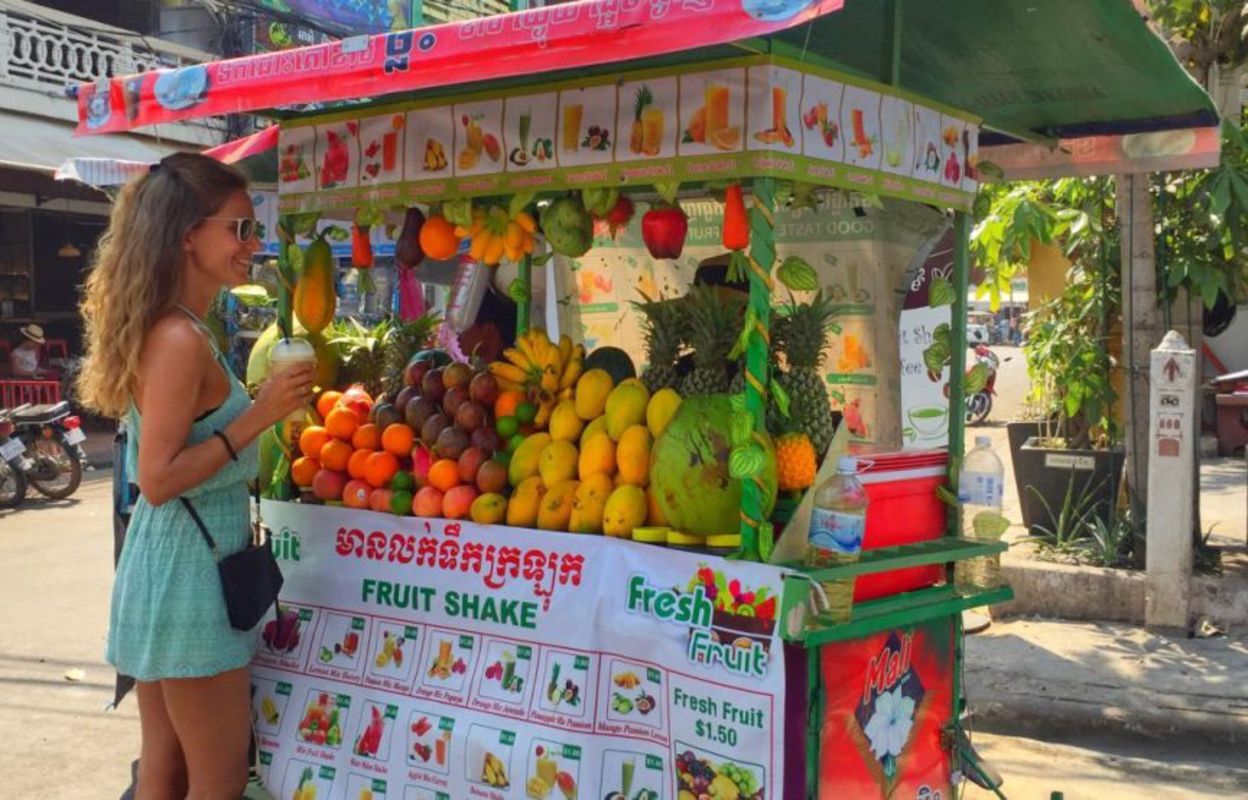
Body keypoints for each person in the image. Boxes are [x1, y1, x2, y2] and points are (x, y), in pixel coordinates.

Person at [77, 153, 316, 799]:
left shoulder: (180, 328)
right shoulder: (180, 338)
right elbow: (156, 477)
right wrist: (259, 414)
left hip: (168, 565)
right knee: (215, 778)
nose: (253, 244)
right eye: (239, 229)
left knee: (166, 768)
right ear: (189, 235)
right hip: (189, 578)